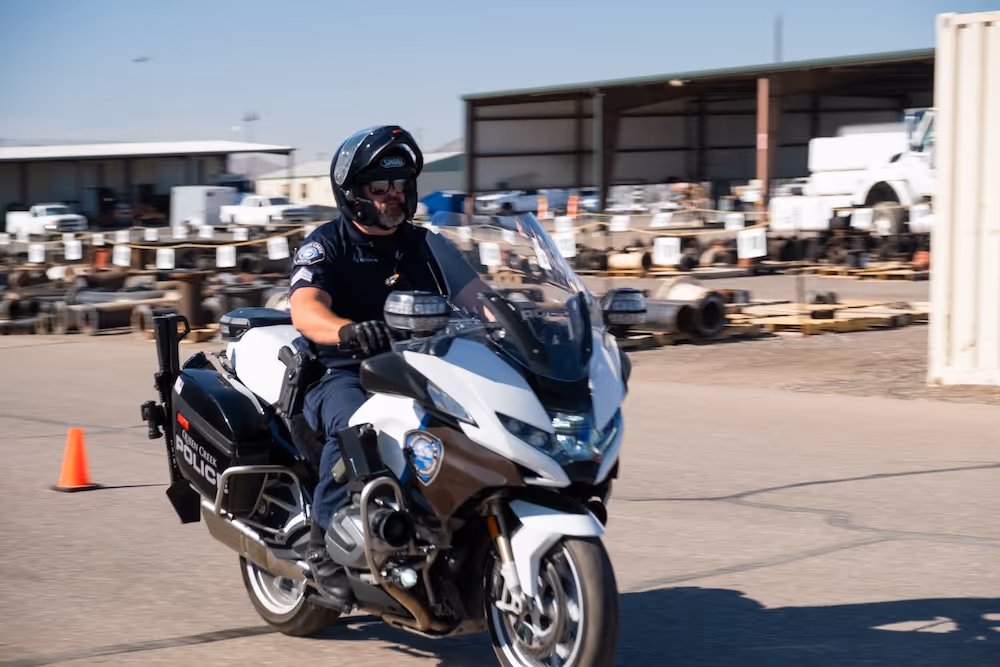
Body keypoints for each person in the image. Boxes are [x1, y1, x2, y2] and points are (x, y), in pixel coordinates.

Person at [288, 125, 482, 605]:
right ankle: (323, 544)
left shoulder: (427, 245)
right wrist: (346, 330)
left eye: (400, 186)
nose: (394, 196)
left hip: (423, 369)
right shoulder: (327, 243)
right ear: (354, 194)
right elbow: (304, 306)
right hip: (342, 372)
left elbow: (481, 299)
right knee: (360, 425)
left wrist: (537, 320)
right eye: (380, 188)